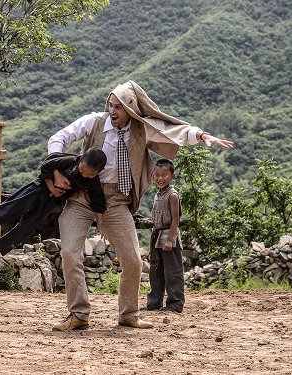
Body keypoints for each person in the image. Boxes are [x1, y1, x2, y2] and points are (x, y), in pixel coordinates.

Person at [49, 81, 233, 331]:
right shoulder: (94, 122)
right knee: (70, 253)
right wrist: (56, 168)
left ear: (130, 110)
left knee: (133, 260)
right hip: (81, 197)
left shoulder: (141, 129)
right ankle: (78, 314)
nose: (113, 111)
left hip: (116, 201)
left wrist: (202, 135)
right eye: (111, 105)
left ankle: (128, 314)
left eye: (118, 107)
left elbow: (172, 131)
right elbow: (60, 137)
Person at [0, 148, 108, 271]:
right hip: (38, 188)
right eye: (82, 170)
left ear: (98, 173)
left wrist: (101, 224)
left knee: (27, 226)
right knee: (9, 210)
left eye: (90, 175)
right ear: (81, 159)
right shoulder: (69, 160)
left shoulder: (92, 181)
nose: (84, 175)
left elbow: (98, 201)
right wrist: (53, 186)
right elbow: (46, 165)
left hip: (51, 201)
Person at [146, 159, 184, 312]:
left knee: (172, 272)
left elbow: (176, 219)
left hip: (169, 236)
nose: (160, 178)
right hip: (157, 237)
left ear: (172, 176)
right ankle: (154, 302)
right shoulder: (157, 194)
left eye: (164, 175)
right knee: (156, 272)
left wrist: (169, 240)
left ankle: (175, 304)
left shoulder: (173, 195)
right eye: (156, 175)